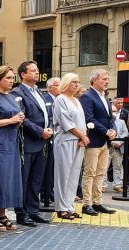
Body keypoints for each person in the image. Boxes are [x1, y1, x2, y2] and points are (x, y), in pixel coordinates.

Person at [12, 61, 52, 226]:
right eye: (33, 70)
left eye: (37, 70)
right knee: (25, 178)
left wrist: (49, 129)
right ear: (23, 74)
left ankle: (33, 210)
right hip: (28, 141)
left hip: (42, 142)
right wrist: (39, 131)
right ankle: (21, 213)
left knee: (37, 178)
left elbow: (46, 114)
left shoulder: (39, 92)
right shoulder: (18, 92)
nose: (37, 73)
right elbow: (22, 118)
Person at [0, 65, 24, 231]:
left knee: (9, 179)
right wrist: (11, 120)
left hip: (11, 142)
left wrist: (20, 118)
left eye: (12, 78)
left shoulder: (12, 96)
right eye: (8, 78)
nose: (11, 80)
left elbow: (15, 117)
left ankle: (2, 214)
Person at [79, 69, 117, 216]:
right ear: (95, 80)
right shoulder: (87, 96)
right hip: (93, 141)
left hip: (104, 142)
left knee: (101, 173)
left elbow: (110, 118)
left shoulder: (104, 97)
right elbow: (89, 119)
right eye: (104, 79)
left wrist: (113, 130)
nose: (107, 81)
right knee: (90, 173)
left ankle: (98, 202)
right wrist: (107, 132)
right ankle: (86, 204)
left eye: (107, 79)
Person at [53, 73, 89, 219]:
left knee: (74, 174)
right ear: (66, 83)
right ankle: (61, 207)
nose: (76, 84)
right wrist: (82, 135)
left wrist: (83, 137)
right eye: (73, 82)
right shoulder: (60, 99)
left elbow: (82, 121)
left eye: (78, 82)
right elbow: (65, 122)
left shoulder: (76, 100)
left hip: (78, 140)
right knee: (63, 174)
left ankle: (69, 205)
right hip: (66, 140)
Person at [102, 104, 128, 193]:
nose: (114, 113)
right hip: (108, 147)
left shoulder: (121, 122)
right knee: (104, 167)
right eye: (112, 111)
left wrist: (120, 142)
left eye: (115, 111)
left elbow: (126, 133)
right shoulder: (105, 122)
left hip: (118, 149)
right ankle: (103, 185)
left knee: (118, 167)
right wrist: (113, 142)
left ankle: (118, 185)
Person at [42, 77, 60, 204]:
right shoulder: (45, 99)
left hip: (58, 137)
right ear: (50, 88)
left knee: (54, 168)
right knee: (47, 168)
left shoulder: (61, 100)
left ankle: (51, 191)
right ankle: (45, 193)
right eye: (57, 85)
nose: (60, 87)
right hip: (48, 136)